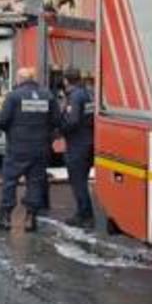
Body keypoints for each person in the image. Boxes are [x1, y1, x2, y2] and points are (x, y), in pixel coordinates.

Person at [0, 67, 59, 232]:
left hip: (17, 147)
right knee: (35, 182)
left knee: (10, 181)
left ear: (19, 79)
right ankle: (30, 218)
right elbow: (56, 120)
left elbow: (2, 122)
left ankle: (6, 217)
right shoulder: (47, 95)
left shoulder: (13, 96)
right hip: (40, 148)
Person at [60, 67, 95, 229]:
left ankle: (85, 215)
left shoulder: (75, 96)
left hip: (77, 144)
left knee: (78, 181)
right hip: (89, 141)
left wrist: (60, 129)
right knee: (82, 179)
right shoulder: (88, 93)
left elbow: (72, 121)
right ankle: (84, 213)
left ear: (66, 80)